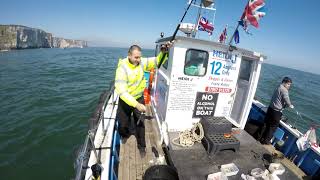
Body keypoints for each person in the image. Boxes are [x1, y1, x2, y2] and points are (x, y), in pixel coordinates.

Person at [114, 43, 170, 156]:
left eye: (140, 57)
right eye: (136, 57)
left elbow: (156, 61)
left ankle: (142, 146)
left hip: (139, 98)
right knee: (123, 122)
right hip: (126, 100)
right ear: (129, 55)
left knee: (141, 125)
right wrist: (136, 105)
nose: (138, 59)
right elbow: (121, 91)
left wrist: (164, 52)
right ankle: (124, 135)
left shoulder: (141, 62)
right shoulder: (122, 69)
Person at [260, 77, 294, 145]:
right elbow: (286, 99)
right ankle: (265, 141)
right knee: (272, 127)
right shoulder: (284, 90)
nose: (289, 86)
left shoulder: (278, 86)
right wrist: (290, 105)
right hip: (276, 112)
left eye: (290, 85)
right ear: (284, 83)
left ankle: (259, 137)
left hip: (270, 109)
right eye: (288, 84)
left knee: (266, 124)